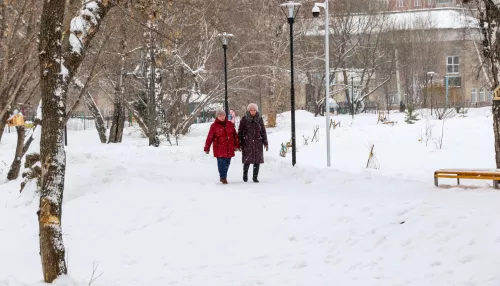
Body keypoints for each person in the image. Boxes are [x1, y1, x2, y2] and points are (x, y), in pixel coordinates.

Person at [204, 109, 240, 184]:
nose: (222, 117)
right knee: (221, 164)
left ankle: (223, 176)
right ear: (217, 117)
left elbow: (235, 136)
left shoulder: (230, 124)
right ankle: (223, 177)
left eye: (223, 115)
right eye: (220, 115)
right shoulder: (214, 126)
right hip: (219, 148)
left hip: (229, 148)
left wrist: (237, 145)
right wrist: (207, 148)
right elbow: (209, 137)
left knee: (227, 163)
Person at [238, 103, 268, 183]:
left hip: (258, 142)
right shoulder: (244, 119)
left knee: (257, 161)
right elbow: (240, 132)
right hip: (247, 142)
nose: (253, 111)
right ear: (248, 110)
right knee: (247, 161)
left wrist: (265, 143)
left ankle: (255, 177)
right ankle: (245, 175)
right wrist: (239, 143)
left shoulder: (259, 119)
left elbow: (263, 132)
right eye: (251, 110)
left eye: (254, 110)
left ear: (256, 110)